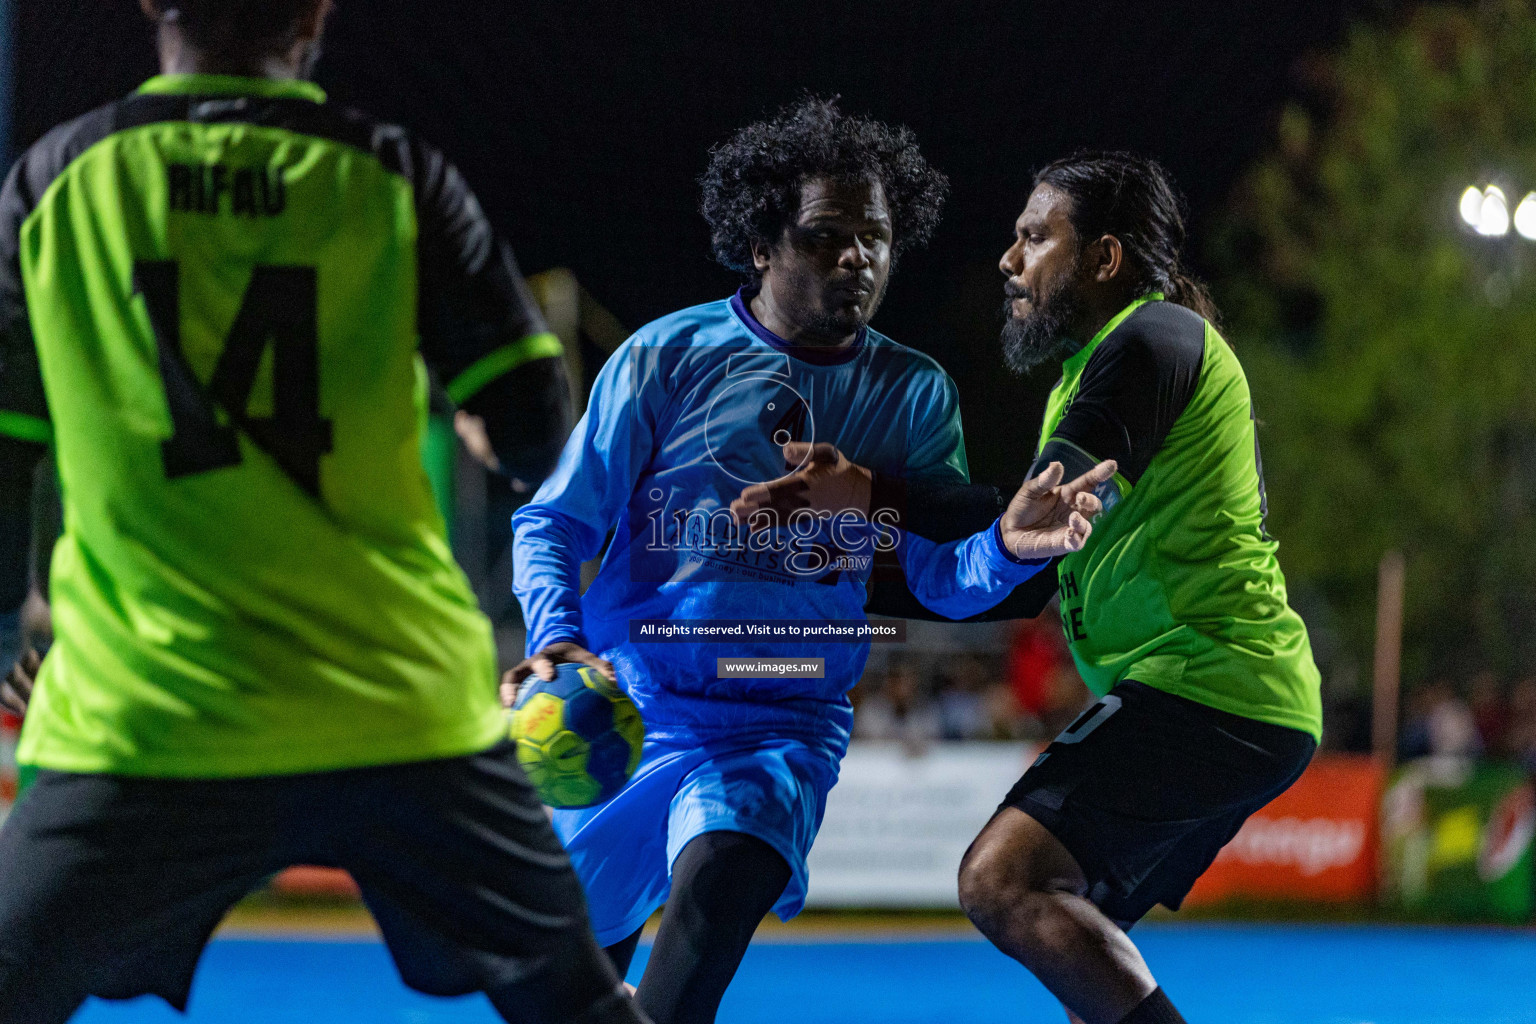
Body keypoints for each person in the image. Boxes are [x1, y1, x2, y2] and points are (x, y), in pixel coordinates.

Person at [0, 3, 646, 1022]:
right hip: (396, 703)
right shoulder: (392, 170)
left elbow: (7, 455)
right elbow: (532, 421)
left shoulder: (52, 180)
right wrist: (498, 433)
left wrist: (9, 637)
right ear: (314, 13)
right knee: (579, 1001)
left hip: (148, 709)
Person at [510, 97, 1110, 1024]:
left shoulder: (910, 396)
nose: (858, 257)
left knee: (706, 922)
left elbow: (934, 579)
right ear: (761, 243)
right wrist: (553, 637)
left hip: (782, 722)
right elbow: (552, 524)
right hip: (628, 716)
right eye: (828, 236)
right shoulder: (663, 359)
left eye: (875, 236)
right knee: (555, 999)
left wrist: (1003, 546)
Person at [732, 152, 1321, 1024]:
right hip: (1218, 694)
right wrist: (846, 537)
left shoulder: (1153, 340)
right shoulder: (1097, 372)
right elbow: (1015, 569)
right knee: (1071, 926)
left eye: (1036, 237)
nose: (1009, 259)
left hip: (1214, 687)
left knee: (1002, 878)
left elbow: (1019, 537)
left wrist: (860, 497)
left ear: (1106, 259)